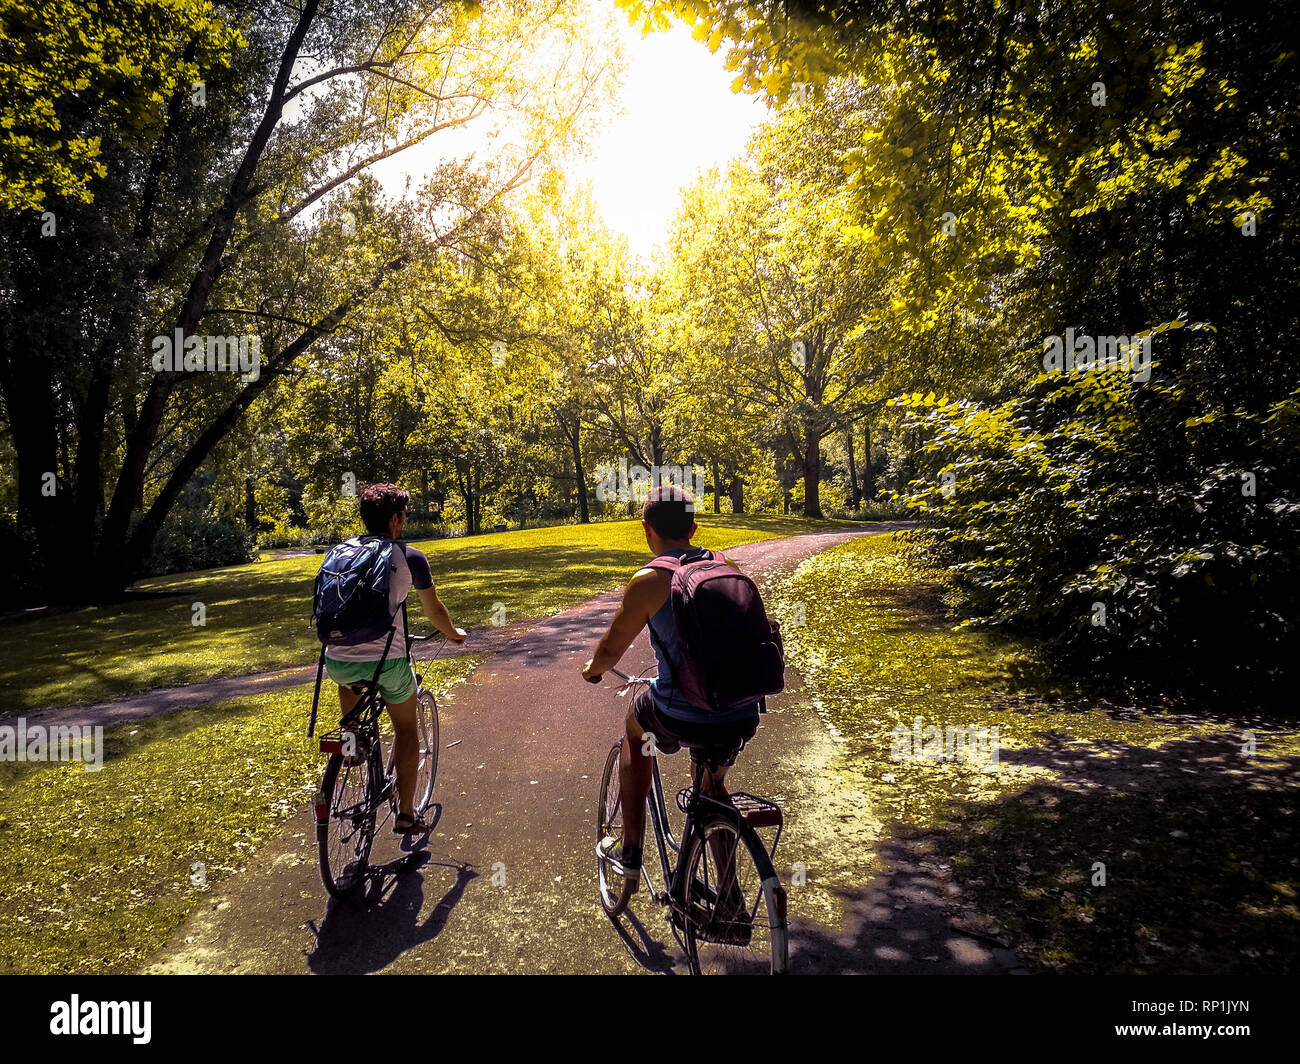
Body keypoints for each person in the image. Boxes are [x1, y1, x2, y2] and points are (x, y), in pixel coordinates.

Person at [581, 486, 760, 908]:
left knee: (634, 727)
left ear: (647, 530)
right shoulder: (726, 565)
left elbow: (610, 650)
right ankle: (730, 898)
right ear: (694, 528)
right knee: (712, 789)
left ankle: (630, 850)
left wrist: (592, 671)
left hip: (681, 713)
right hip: (740, 710)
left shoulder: (649, 581)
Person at [324, 482, 465, 834]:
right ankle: (405, 814)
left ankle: (352, 739)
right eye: (404, 514)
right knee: (405, 727)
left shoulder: (339, 552)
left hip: (336, 658)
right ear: (395, 520)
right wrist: (452, 633)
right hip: (388, 662)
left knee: (350, 680)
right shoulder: (408, 556)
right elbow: (433, 610)